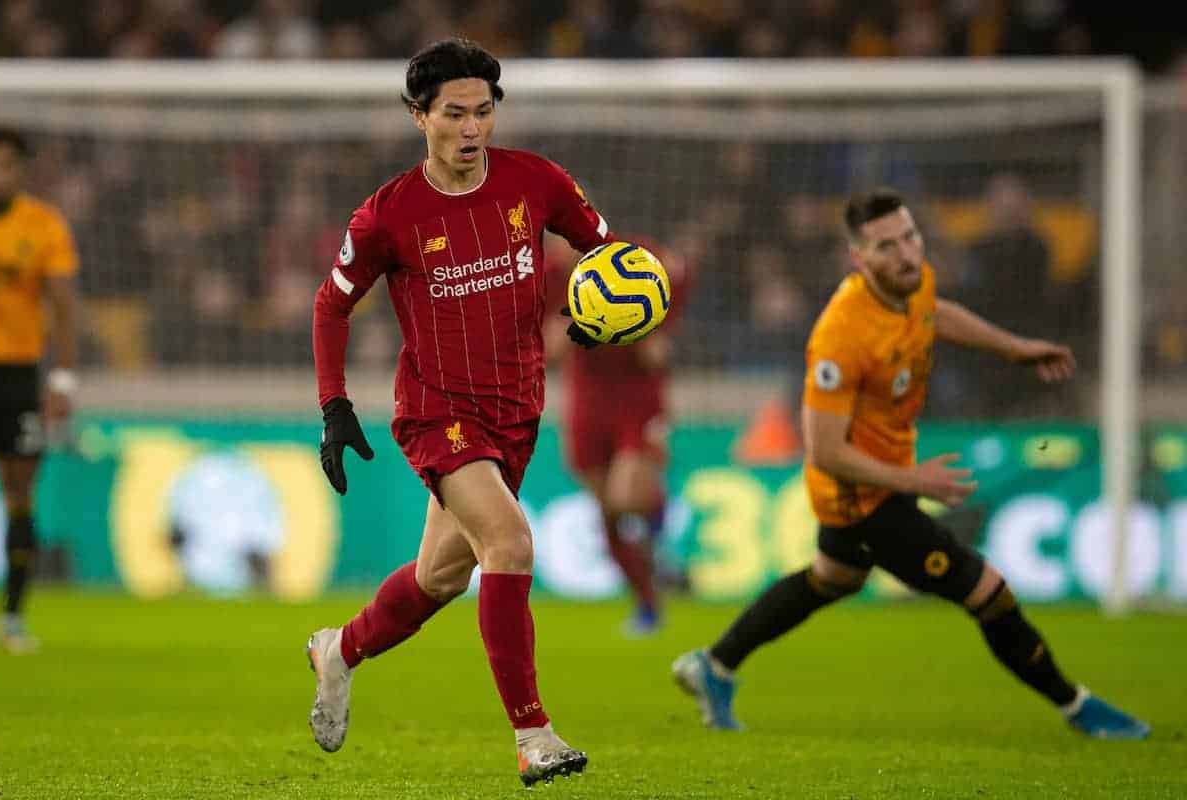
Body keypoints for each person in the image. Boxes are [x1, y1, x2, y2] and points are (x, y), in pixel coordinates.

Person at [671, 187, 1149, 740]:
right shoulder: (841, 336)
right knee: (987, 592)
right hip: (861, 495)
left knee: (833, 578)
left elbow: (936, 314)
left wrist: (1015, 348)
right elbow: (823, 449)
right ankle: (1078, 706)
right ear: (859, 259)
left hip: (887, 473)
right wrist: (912, 480)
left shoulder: (912, 282)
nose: (906, 253)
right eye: (886, 246)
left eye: (910, 237)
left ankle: (715, 664)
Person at [306, 38, 614, 786]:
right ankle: (534, 735)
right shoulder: (389, 214)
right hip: (437, 412)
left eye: (483, 111)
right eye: (454, 114)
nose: (472, 128)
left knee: (441, 578)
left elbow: (611, 254)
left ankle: (338, 650)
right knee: (508, 542)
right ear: (420, 117)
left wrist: (607, 306)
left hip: (517, 410)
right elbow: (332, 304)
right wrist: (334, 406)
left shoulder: (536, 181)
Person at [543, 233, 687, 636]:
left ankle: (658, 520)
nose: (563, 246)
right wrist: (555, 337)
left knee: (626, 498)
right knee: (607, 512)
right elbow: (543, 346)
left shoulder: (631, 256)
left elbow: (681, 273)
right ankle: (648, 603)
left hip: (637, 398)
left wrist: (662, 328)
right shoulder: (546, 275)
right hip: (587, 403)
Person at [0, 126, 79, 654]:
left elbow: (63, 305)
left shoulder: (43, 225)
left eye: (4, 164)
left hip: (18, 375)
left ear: (20, 171)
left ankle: (12, 617)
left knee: (19, 492)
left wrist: (62, 378)